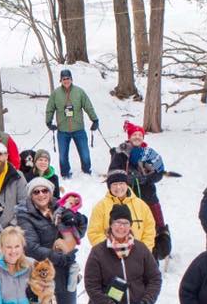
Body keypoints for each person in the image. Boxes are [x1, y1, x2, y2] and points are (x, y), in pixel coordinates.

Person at [16, 177, 82, 304]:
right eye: (36, 192)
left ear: (51, 192)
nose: (41, 195)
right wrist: (59, 257)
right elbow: (31, 247)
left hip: (65, 269)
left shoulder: (62, 207)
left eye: (45, 190)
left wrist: (77, 221)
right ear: (31, 195)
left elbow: (78, 230)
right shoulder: (24, 215)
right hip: (41, 271)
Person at [110, 121, 169, 254]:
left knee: (155, 220)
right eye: (134, 135)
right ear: (129, 137)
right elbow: (114, 172)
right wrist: (125, 179)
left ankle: (160, 242)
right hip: (128, 194)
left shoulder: (149, 153)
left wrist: (147, 178)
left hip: (148, 194)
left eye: (139, 135)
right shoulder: (122, 152)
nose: (137, 137)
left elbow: (159, 173)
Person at [45, 69, 99, 179]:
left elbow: (88, 107)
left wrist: (95, 120)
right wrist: (49, 122)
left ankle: (86, 171)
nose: (66, 81)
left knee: (85, 153)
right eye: (64, 79)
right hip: (62, 130)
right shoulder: (55, 94)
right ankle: (65, 174)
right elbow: (50, 109)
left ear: (71, 79)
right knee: (63, 155)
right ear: (61, 80)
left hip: (78, 128)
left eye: (68, 78)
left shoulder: (79, 92)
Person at [87, 169, 156, 251]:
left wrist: (142, 252)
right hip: (109, 255)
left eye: (121, 183)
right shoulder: (101, 207)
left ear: (127, 184)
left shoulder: (141, 205)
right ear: (109, 187)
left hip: (137, 255)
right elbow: (94, 233)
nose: (118, 187)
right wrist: (111, 249)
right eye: (114, 184)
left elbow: (149, 231)